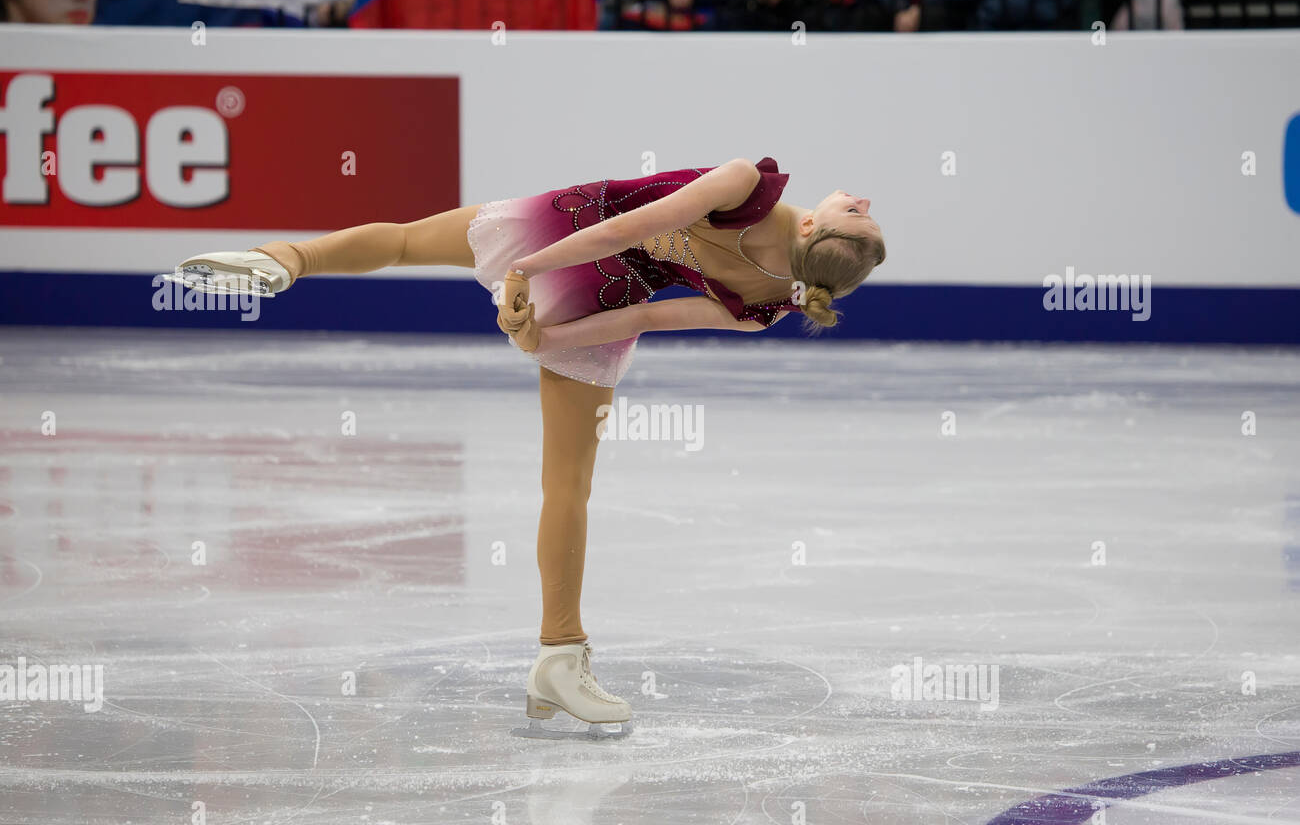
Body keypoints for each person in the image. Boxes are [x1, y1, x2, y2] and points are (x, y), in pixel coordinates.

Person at [172, 156, 886, 736]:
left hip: (570, 234)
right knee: (568, 487)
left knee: (401, 240)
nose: (862, 196)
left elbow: (626, 227)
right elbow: (646, 314)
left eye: (858, 210)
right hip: (600, 296)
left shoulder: (746, 184)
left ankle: (286, 258)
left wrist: (528, 282)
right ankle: (559, 656)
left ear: (820, 225)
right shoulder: (766, 308)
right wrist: (545, 335)